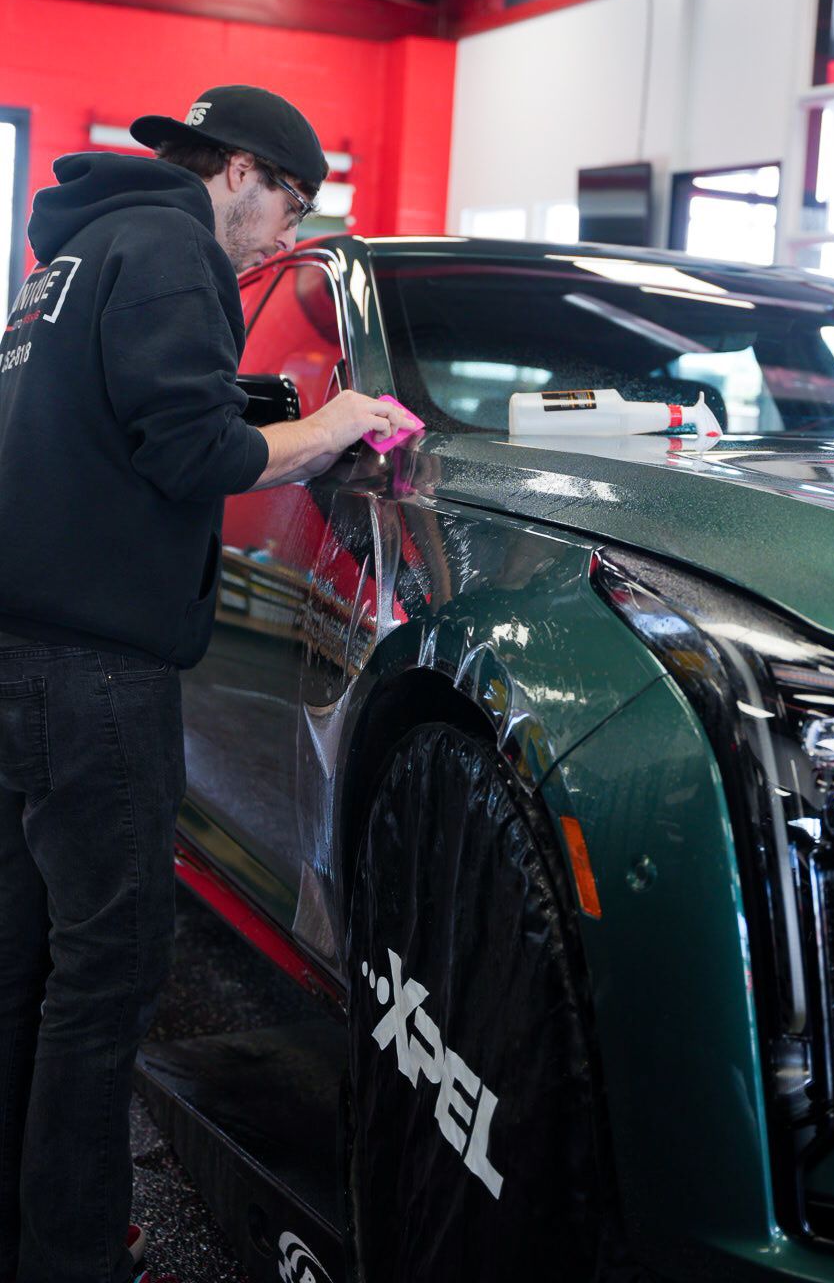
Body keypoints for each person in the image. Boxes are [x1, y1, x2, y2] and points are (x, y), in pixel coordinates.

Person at [0, 86, 418, 1283]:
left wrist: (251, 402)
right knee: (112, 967)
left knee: (23, 953)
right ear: (237, 169)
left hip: (17, 652)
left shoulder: (74, 258)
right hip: (97, 671)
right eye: (287, 202)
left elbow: (99, 422)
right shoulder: (176, 248)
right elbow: (193, 454)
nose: (285, 234)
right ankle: (74, 1256)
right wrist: (335, 420)